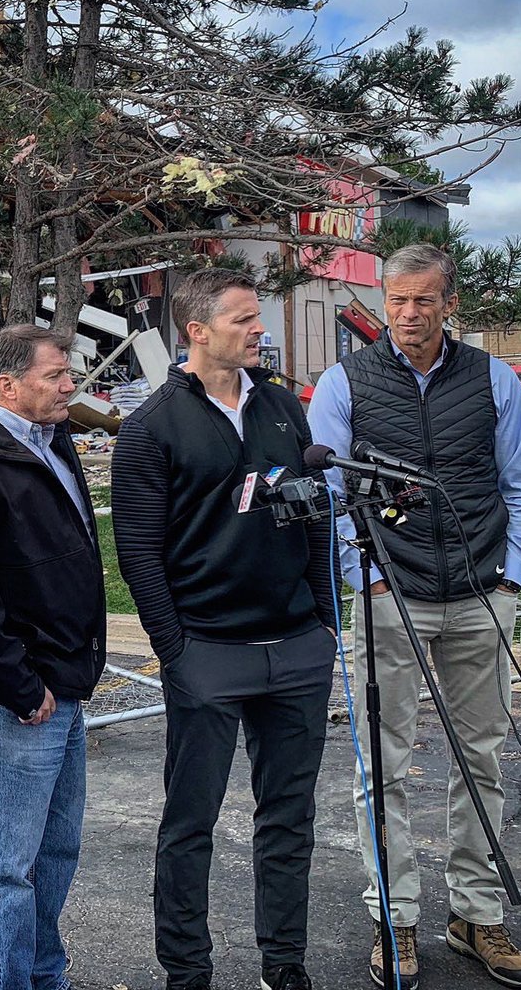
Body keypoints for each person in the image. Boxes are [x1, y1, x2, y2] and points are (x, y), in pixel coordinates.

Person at [308, 243, 521, 990]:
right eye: (397, 300)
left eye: (423, 301)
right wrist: (365, 578)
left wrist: (511, 577)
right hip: (391, 594)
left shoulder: (495, 380)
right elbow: (330, 493)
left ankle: (476, 915)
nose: (408, 315)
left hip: (480, 594)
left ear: (449, 302)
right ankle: (396, 919)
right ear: (384, 300)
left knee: (481, 762)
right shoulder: (343, 384)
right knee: (382, 769)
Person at [111, 267, 338, 990]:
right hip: (208, 651)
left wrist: (325, 621)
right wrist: (175, 650)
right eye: (243, 319)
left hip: (296, 648)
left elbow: (316, 519)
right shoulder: (152, 426)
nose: (259, 328)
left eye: (258, 316)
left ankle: (285, 963)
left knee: (289, 821)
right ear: (198, 331)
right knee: (189, 825)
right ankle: (187, 971)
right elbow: (138, 554)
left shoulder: (282, 407)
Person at [0, 324, 107, 990]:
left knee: (56, 851)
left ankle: (46, 977)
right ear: (6, 385)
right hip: (19, 695)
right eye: (54, 375)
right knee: (4, 866)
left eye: (69, 373)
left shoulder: (55, 442)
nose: (70, 385)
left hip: (63, 682)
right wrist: (16, 682)